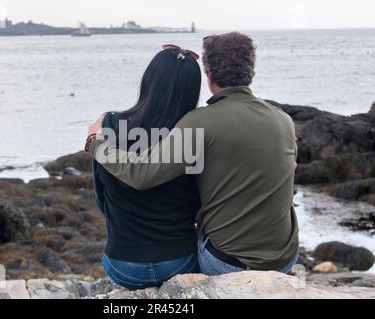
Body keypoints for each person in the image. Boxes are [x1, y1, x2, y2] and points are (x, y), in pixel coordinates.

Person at [86, 32, 299, 276]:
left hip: (228, 265)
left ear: (208, 74)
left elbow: (142, 175)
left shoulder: (199, 122)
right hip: (285, 259)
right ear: (251, 71)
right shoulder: (284, 120)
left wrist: (95, 144)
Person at [92, 45, 202, 289]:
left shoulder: (109, 124)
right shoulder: (190, 135)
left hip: (122, 265)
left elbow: (101, 198)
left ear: (148, 80)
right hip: (180, 261)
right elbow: (197, 204)